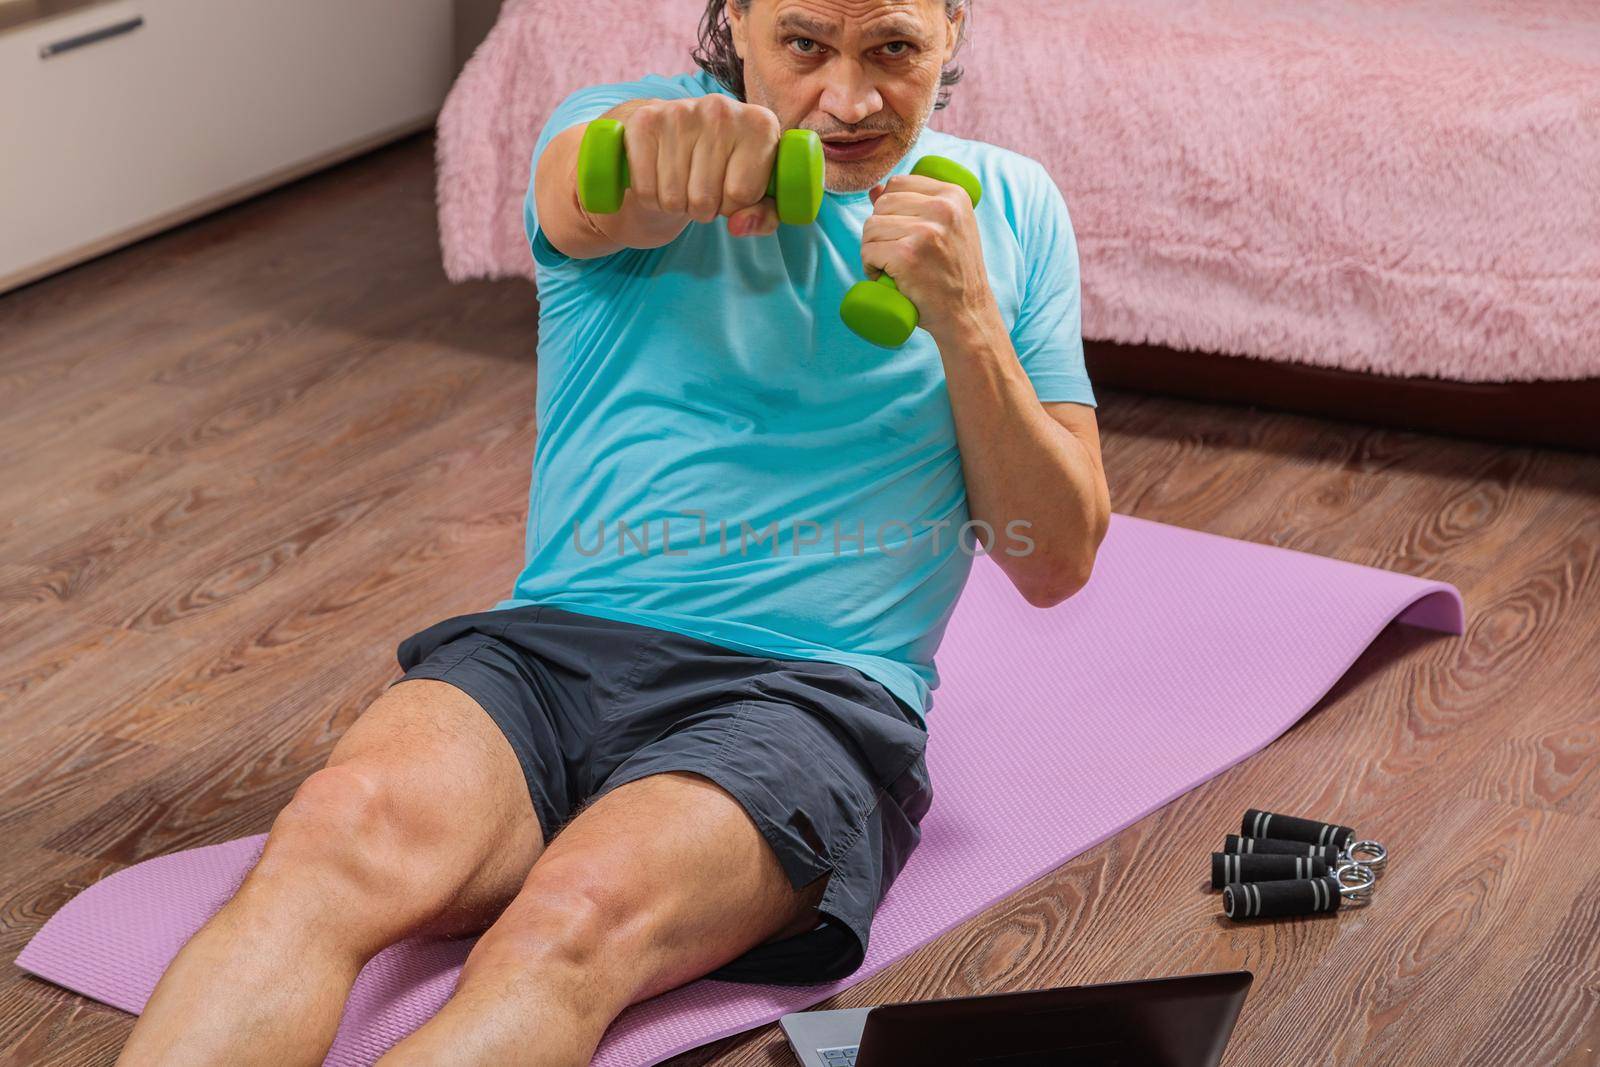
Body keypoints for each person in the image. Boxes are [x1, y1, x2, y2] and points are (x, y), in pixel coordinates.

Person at [116, 1, 1111, 1063]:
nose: (849, 100)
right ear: (739, 19)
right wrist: (657, 162)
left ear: (952, 28)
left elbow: (1053, 556)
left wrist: (967, 319)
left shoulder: (1010, 206)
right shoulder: (613, 124)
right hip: (550, 649)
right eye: (805, 45)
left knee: (572, 919)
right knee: (330, 839)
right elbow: (601, 187)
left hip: (811, 690)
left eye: (893, 49)